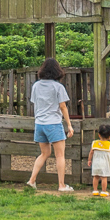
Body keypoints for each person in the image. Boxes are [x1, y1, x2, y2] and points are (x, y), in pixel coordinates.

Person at [26, 57, 75, 191]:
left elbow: (35, 103)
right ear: (57, 71)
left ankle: (31, 180)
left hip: (39, 124)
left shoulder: (36, 85)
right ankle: (61, 185)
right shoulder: (58, 87)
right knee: (60, 155)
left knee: (44, 153)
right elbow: (63, 106)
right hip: (53, 123)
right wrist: (69, 125)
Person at [87, 123, 110, 198]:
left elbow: (91, 152)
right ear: (109, 136)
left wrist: (89, 160)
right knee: (104, 177)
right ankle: (103, 191)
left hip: (96, 163)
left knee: (95, 177)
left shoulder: (94, 143)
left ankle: (95, 190)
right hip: (105, 164)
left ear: (99, 135)